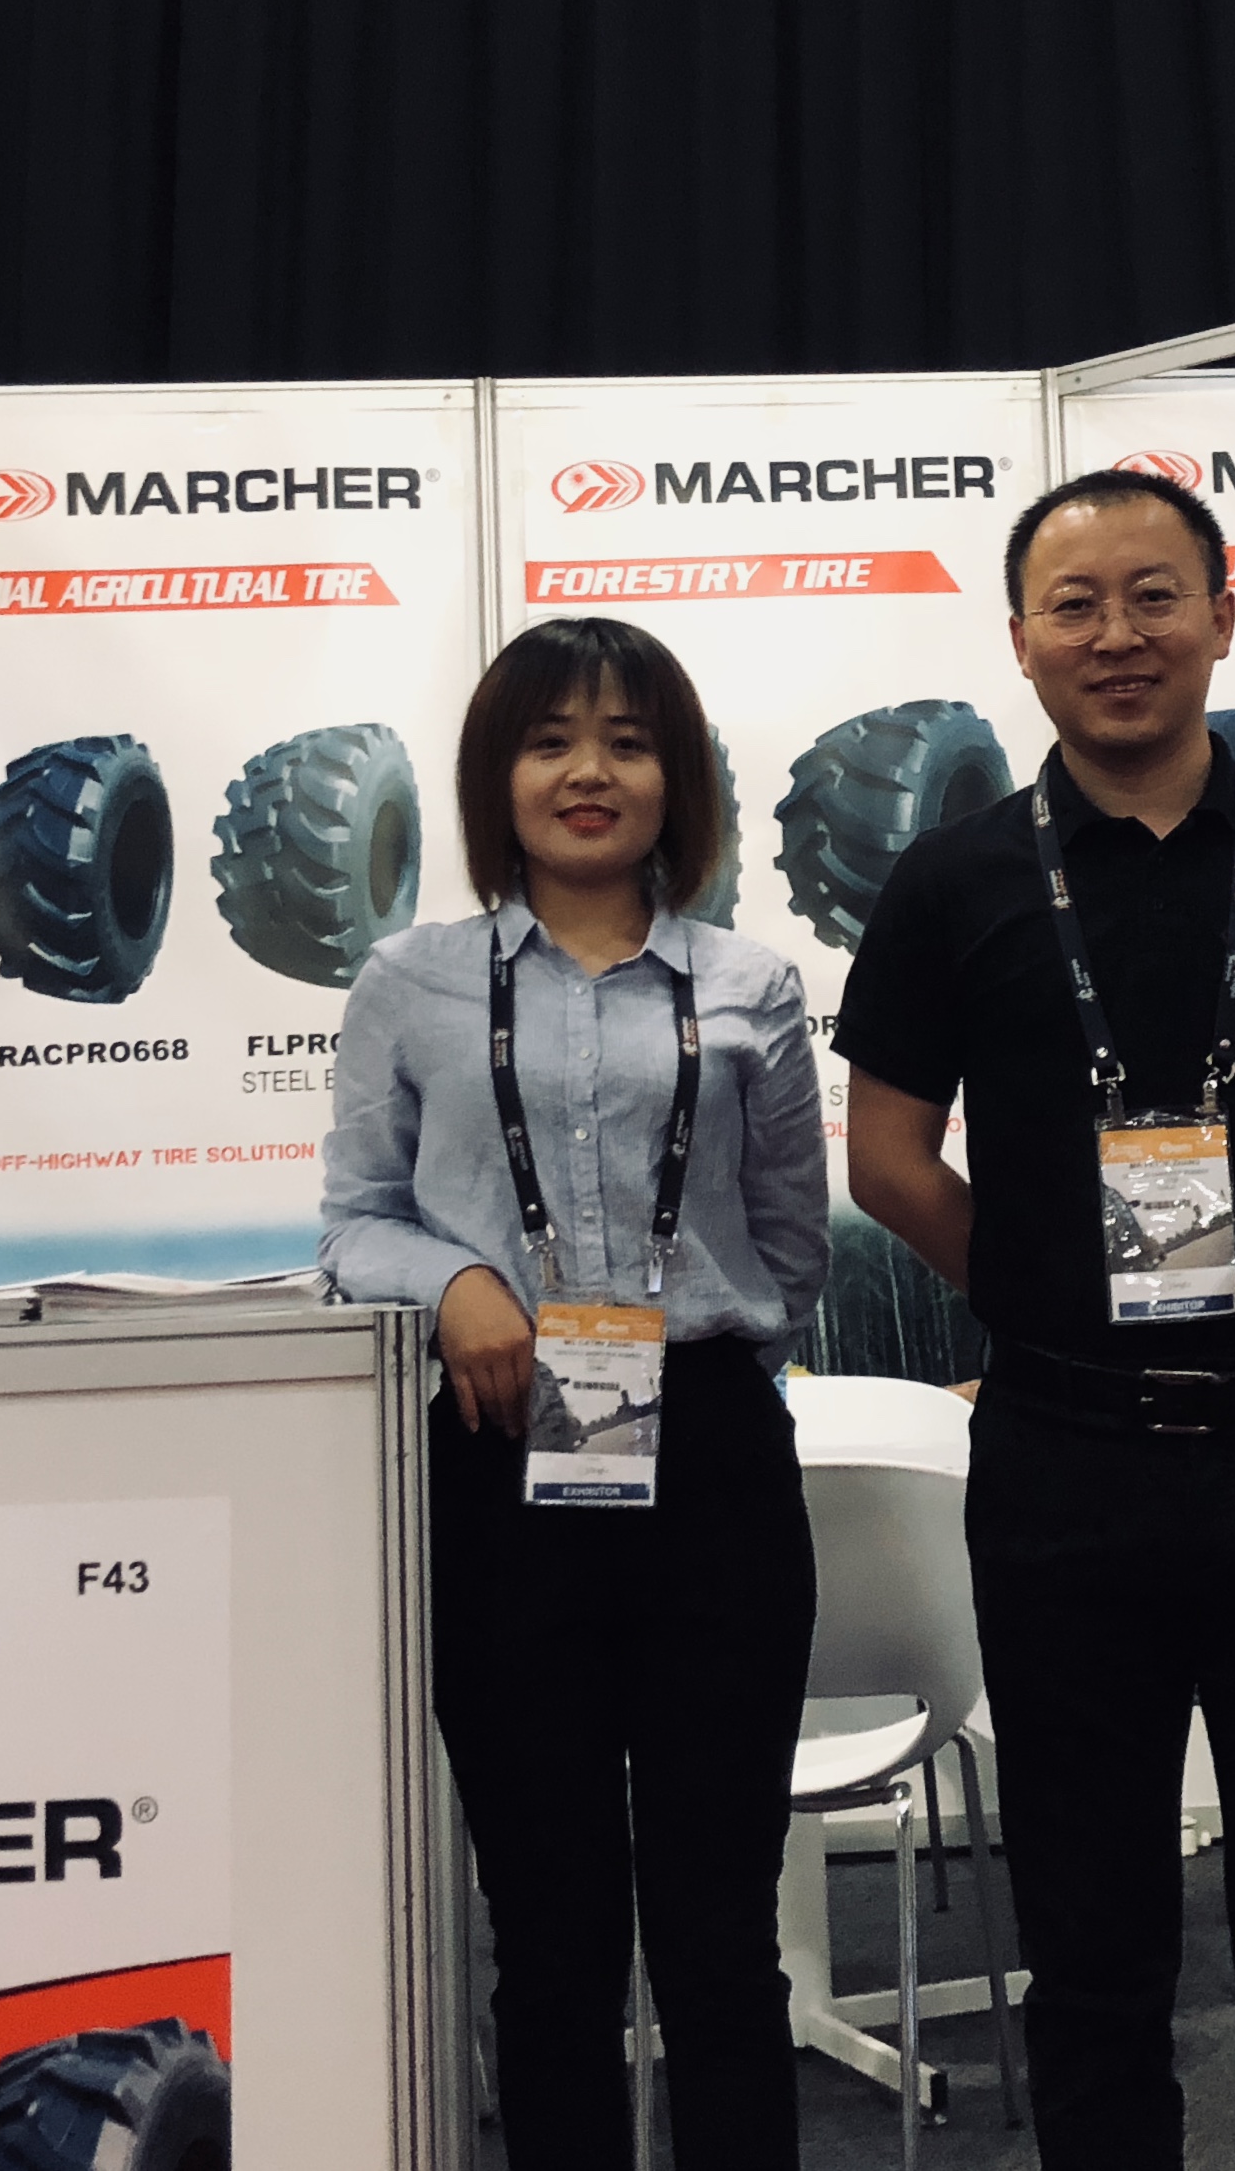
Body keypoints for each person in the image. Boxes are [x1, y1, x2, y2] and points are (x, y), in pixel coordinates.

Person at [834, 469, 1235, 2171]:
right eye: (1075, 604)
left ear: (1221, 616)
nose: (1116, 634)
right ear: (1022, 641)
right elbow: (887, 1158)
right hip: (1067, 1471)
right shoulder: (952, 881)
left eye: (1152, 594)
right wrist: (1036, 1292)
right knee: (1093, 1957)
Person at [322, 616, 828, 2171]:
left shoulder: (751, 983)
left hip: (715, 1471)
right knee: (549, 1941)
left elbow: (792, 1240)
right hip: (499, 1473)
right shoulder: (410, 982)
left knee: (719, 1935)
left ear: (677, 776)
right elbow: (354, 1223)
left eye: (626, 739)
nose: (587, 771)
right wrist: (458, 1283)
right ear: (499, 773)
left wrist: (685, 1344)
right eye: (549, 740)